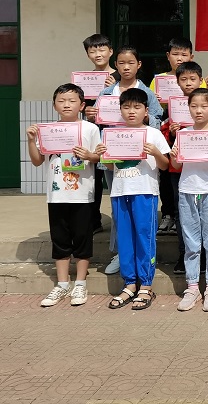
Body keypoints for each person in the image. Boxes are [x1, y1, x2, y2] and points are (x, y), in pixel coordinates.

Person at [27, 84, 101, 307]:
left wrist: (88, 155)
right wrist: (31, 140)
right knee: (60, 239)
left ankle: (80, 283)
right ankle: (61, 284)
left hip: (82, 194)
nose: (66, 104)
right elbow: (38, 160)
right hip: (56, 194)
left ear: (82, 104)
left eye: (71, 100)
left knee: (82, 237)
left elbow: (99, 158)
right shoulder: (47, 130)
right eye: (61, 100)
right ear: (54, 105)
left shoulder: (89, 129)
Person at [97, 88, 170, 311]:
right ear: (120, 110)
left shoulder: (153, 134)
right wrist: (103, 153)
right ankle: (129, 283)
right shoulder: (112, 134)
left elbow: (166, 165)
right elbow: (109, 166)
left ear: (146, 111)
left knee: (144, 236)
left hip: (145, 191)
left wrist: (156, 152)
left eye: (137, 107)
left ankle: (146, 285)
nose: (131, 111)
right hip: (120, 191)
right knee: (125, 238)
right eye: (126, 107)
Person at [96, 46, 163, 275]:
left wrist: (139, 128)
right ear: (116, 65)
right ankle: (119, 254)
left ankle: (144, 263)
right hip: (115, 155)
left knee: (141, 215)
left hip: (142, 161)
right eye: (121, 63)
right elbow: (100, 124)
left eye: (130, 63)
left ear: (139, 65)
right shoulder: (106, 93)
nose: (126, 67)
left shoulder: (147, 93)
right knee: (119, 207)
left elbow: (157, 119)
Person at [170, 88, 208, 312]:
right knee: (191, 242)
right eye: (194, 106)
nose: (198, 110)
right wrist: (174, 154)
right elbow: (176, 166)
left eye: (204, 106)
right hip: (187, 191)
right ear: (188, 108)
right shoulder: (183, 133)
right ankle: (192, 286)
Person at [149, 37, 195, 237]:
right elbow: (153, 111)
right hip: (168, 135)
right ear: (168, 57)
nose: (180, 58)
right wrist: (160, 102)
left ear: (191, 57)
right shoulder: (158, 80)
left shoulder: (196, 79)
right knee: (167, 176)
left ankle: (179, 215)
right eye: (175, 54)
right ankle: (168, 213)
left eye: (184, 54)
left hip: (192, 136)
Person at [165, 61, 205, 274]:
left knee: (205, 215)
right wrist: (171, 133)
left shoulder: (207, 103)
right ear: (177, 81)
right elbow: (165, 144)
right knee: (183, 215)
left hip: (204, 170)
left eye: (193, 79)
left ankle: (205, 255)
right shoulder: (173, 106)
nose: (188, 83)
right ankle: (184, 253)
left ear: (201, 80)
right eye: (183, 79)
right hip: (179, 170)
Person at [82, 33, 119, 235]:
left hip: (116, 134)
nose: (98, 54)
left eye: (102, 49)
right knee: (93, 177)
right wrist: (86, 112)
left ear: (110, 51)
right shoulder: (85, 80)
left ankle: (119, 219)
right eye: (92, 50)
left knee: (117, 177)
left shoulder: (121, 75)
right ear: (87, 54)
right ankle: (94, 219)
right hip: (94, 133)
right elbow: (80, 106)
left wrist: (111, 89)